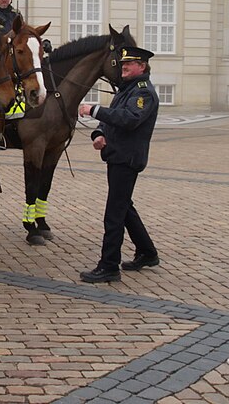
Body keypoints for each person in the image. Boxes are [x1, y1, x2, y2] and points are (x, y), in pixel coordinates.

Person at [77, 45, 160, 283]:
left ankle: (109, 266)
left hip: (127, 158)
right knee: (124, 207)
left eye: (129, 64)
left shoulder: (143, 93)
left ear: (142, 67)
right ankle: (147, 252)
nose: (123, 67)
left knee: (114, 213)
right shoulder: (127, 89)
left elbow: (129, 119)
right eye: (122, 64)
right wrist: (98, 134)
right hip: (117, 155)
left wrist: (94, 109)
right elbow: (114, 117)